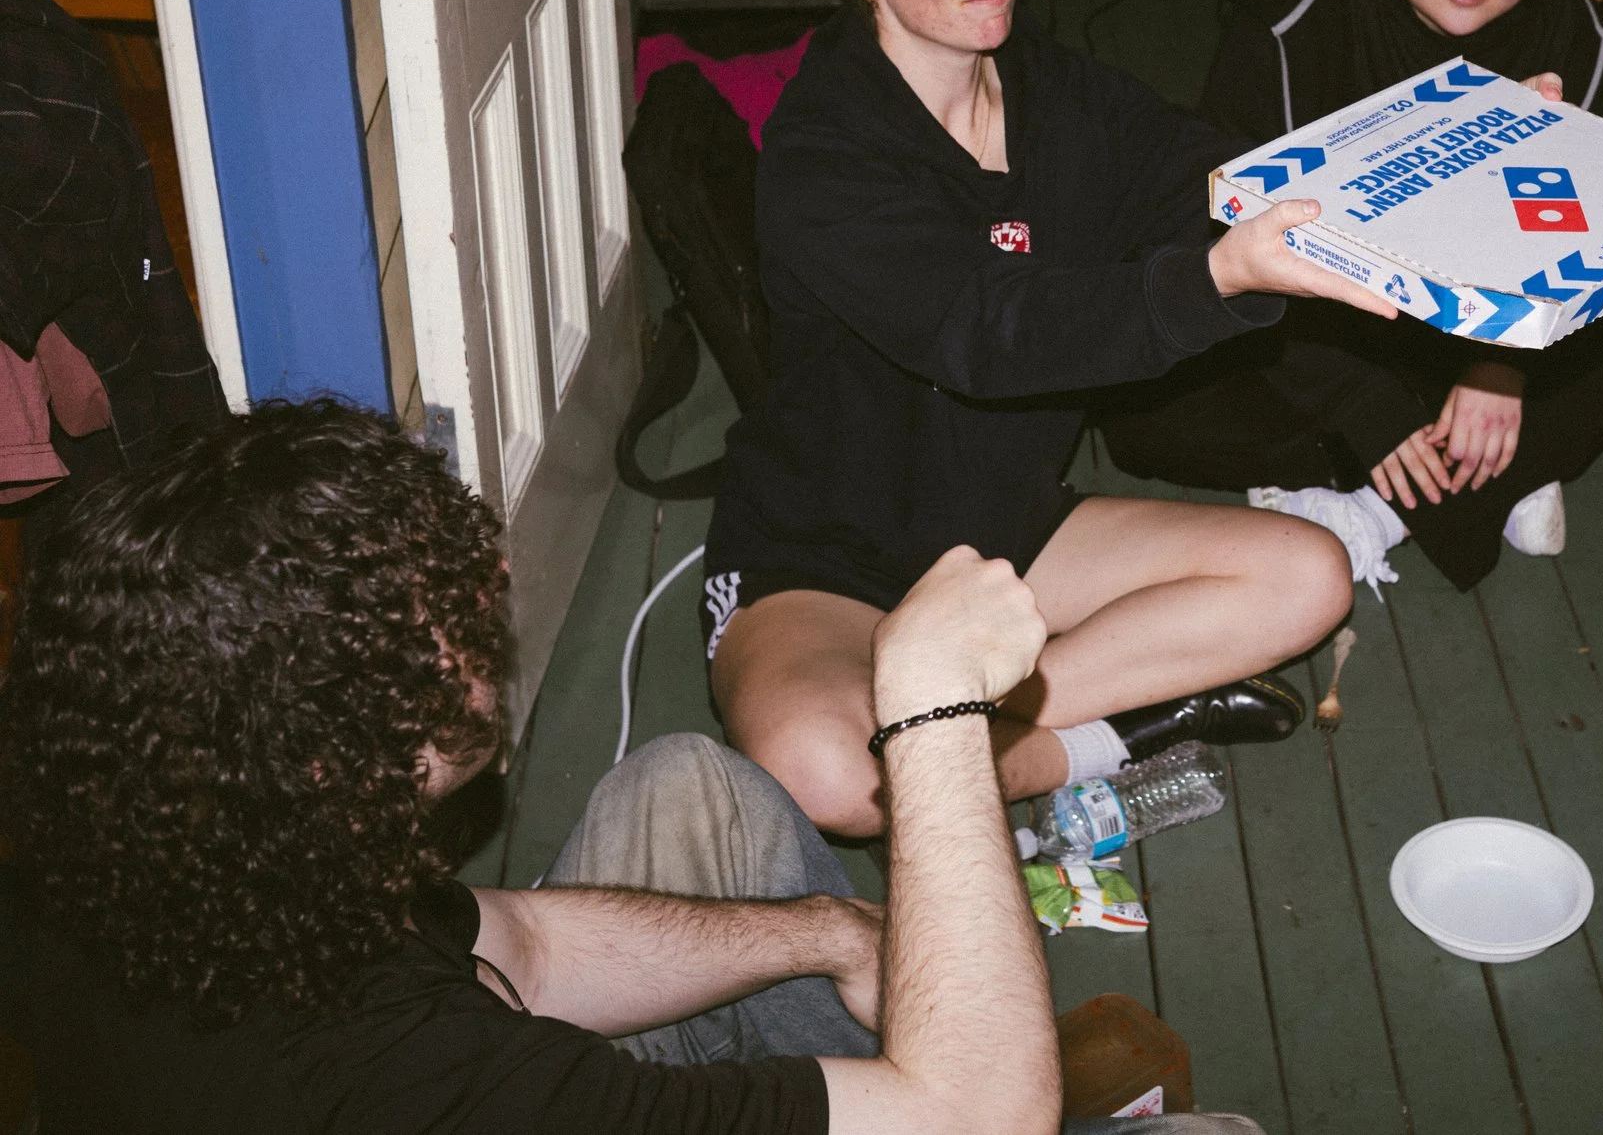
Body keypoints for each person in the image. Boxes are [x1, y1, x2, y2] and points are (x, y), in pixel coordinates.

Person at [0, 399, 1264, 1133]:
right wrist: (930, 711)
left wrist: (827, 931)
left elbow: (521, 949)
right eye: (417, 623)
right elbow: (979, 1123)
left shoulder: (175, 835)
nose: (482, 595)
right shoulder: (398, 1074)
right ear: (329, 751)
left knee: (689, 786)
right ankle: (952, 1064)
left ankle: (923, 1055)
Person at [703, 0, 1383, 839]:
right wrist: (1213, 278)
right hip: (825, 557)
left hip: (1000, 530)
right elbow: (992, 331)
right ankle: (1100, 736)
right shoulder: (822, 154)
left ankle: (981, 745)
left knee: (1310, 575)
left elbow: (1194, 165)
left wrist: (1415, 163)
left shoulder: (1046, 84)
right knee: (832, 773)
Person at [1095, 0, 1603, 593]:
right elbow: (1235, 252)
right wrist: (1364, 408)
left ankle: (1375, 513)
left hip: (1469, 327)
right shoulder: (1286, 30)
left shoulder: (1570, 27)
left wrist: (1500, 367)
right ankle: (1489, 474)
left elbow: (1562, 237)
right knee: (1139, 408)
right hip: (1314, 330)